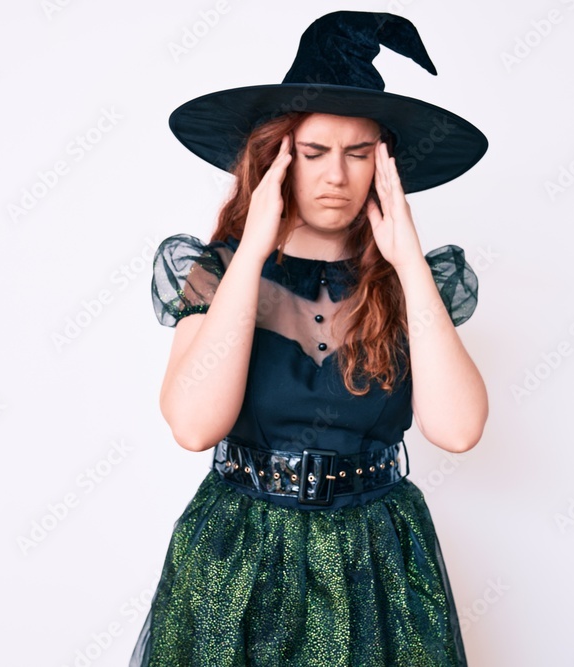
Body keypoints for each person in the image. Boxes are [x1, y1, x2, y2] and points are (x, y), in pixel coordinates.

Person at [130, 11, 488, 666]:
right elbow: (194, 426)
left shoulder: (410, 280)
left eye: (359, 154)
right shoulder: (219, 271)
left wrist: (409, 261)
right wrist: (251, 249)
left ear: (384, 165)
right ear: (278, 159)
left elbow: (459, 430)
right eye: (315, 152)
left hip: (378, 559)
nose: (336, 176)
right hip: (237, 551)